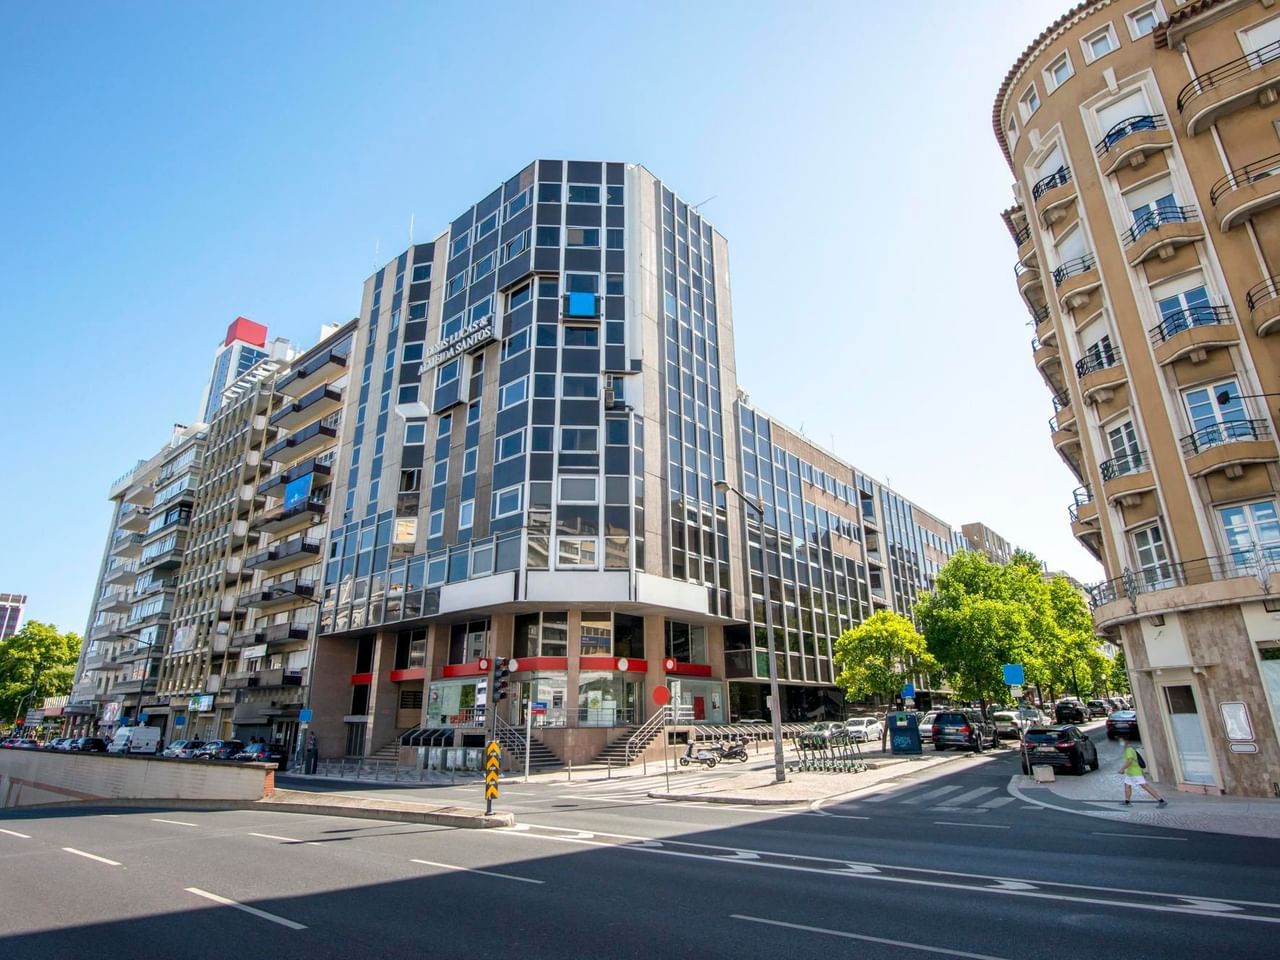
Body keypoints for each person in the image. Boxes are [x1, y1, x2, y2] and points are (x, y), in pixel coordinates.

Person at [1119, 742, 1166, 806]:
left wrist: (1122, 769)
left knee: (1145, 786)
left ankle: (1161, 801)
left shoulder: (1128, 750)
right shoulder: (1131, 749)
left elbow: (1130, 761)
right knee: (1127, 785)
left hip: (1135, 772)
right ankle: (1127, 802)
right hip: (1130, 773)